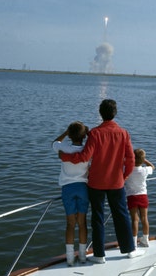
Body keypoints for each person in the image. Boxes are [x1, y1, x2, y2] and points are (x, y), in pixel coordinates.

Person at [60, 99, 144, 264]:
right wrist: (124, 176)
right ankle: (129, 250)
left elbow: (85, 157)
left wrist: (64, 156)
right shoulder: (124, 133)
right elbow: (131, 160)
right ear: (115, 113)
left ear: (101, 113)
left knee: (97, 217)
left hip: (96, 183)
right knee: (121, 216)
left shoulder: (94, 133)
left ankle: (99, 254)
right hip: (116, 182)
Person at [52, 121, 90, 266]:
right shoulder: (88, 149)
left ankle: (69, 258)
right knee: (82, 223)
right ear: (84, 136)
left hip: (67, 189)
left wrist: (66, 132)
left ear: (70, 134)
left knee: (70, 224)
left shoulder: (63, 147)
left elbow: (55, 142)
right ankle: (82, 256)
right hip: (83, 188)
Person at [124, 149, 155, 248]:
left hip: (131, 196)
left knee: (134, 219)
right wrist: (144, 160)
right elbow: (152, 167)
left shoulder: (127, 169)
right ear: (142, 160)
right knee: (144, 218)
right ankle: (145, 239)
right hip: (143, 196)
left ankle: (133, 242)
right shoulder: (144, 170)